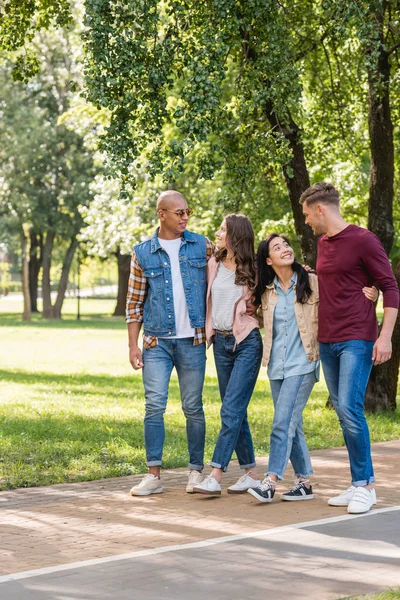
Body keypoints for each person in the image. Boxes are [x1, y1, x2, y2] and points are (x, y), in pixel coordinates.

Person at [300, 182, 399, 514]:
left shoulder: (363, 240)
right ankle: (358, 481)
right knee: (343, 410)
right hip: (328, 339)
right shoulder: (322, 243)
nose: (306, 221)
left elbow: (390, 287)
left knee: (351, 409)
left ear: (320, 209)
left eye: (306, 214)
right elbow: (336, 282)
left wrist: (384, 337)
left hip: (357, 336)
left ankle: (366, 486)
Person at [127, 190, 214, 496]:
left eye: (188, 211)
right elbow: (134, 303)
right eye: (179, 212)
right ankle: (153, 475)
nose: (185, 217)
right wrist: (132, 345)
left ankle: (195, 472)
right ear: (161, 214)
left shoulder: (202, 246)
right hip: (156, 343)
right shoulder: (142, 252)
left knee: (193, 407)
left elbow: (233, 269)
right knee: (154, 406)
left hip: (192, 340)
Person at [192, 214, 264, 496]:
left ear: (236, 236)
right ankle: (251, 473)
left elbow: (283, 280)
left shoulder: (255, 268)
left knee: (230, 410)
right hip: (221, 345)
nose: (218, 233)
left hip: (246, 342)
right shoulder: (213, 264)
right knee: (236, 411)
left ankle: (215, 474)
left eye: (223, 230)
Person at [246, 234, 320, 503]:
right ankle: (303, 482)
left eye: (286, 245)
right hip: (276, 366)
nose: (285, 249)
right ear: (268, 259)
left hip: (304, 363)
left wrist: (369, 294)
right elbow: (260, 319)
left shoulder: (312, 282)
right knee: (292, 423)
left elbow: (337, 304)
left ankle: (270, 480)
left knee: (282, 423)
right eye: (277, 247)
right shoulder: (267, 291)